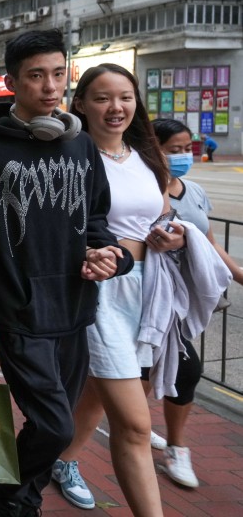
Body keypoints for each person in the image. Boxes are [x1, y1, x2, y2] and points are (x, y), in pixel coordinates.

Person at [0, 29, 132, 517]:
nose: (50, 86)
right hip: (19, 312)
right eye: (36, 76)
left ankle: (19, 500)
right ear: (12, 82)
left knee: (53, 420)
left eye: (58, 73)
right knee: (55, 427)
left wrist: (106, 253)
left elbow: (96, 220)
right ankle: (2, 492)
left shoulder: (82, 147)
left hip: (75, 308)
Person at [54, 63, 186, 514]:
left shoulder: (149, 155)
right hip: (99, 293)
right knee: (132, 424)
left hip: (149, 292)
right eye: (103, 97)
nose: (116, 107)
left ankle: (62, 459)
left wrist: (175, 235)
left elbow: (164, 216)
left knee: (98, 392)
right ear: (81, 104)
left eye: (125, 97)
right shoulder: (69, 155)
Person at [141, 118, 243, 487]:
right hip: (150, 296)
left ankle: (175, 447)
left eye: (188, 148)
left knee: (182, 369)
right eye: (174, 149)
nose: (183, 156)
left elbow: (211, 243)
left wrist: (238, 274)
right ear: (154, 148)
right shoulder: (144, 189)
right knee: (139, 374)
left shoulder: (195, 191)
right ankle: (136, 429)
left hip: (184, 303)